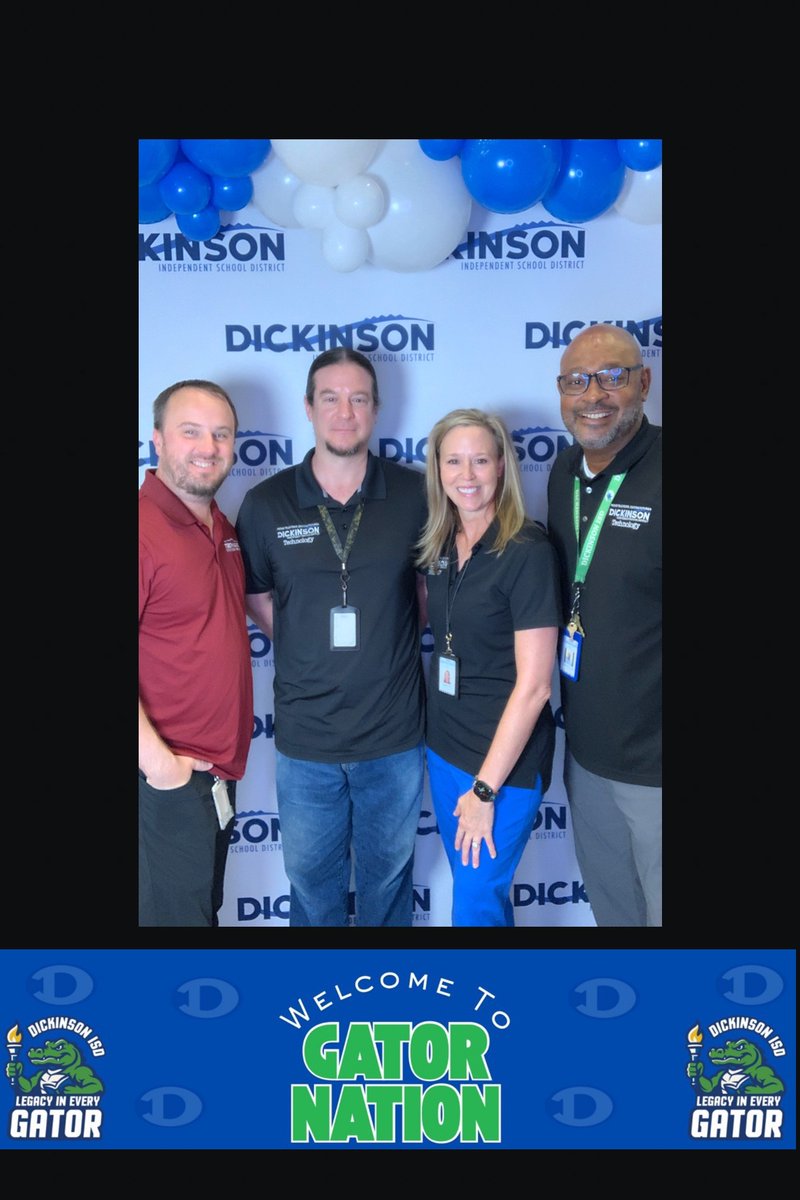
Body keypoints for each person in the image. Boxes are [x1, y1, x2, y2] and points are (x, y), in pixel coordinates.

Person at [235, 348, 427, 927]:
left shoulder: (418, 495)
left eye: (359, 398)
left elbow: (424, 597)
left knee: (387, 889)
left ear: (376, 408)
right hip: (306, 742)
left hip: (392, 738)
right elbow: (259, 597)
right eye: (331, 398)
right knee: (312, 891)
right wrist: (304, 646)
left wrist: (380, 643)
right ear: (309, 408)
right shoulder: (266, 504)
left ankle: (383, 1001)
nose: (345, 412)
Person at [417, 408, 560, 927]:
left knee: (475, 907)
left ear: (502, 465)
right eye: (453, 461)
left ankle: (488, 1008)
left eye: (480, 460)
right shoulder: (441, 542)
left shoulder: (527, 549)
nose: (467, 474)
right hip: (445, 748)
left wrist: (484, 791)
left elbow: (536, 686)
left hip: (500, 767)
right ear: (437, 468)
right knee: (476, 899)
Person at [546, 324, 662, 927]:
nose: (594, 394)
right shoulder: (564, 471)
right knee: (619, 921)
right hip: (587, 757)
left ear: (643, 383)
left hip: (658, 768)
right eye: (577, 381)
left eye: (613, 377)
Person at [139, 380, 254, 927]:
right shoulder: (139, 529)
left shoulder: (222, 528)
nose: (207, 446)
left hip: (214, 778)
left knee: (198, 919)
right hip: (163, 780)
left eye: (221, 434)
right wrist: (160, 765)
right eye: (191, 431)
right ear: (157, 439)